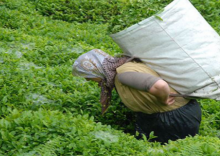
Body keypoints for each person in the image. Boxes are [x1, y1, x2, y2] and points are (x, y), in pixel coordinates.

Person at [72, 49, 201, 144]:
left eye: (88, 76)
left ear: (96, 69)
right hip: (161, 116)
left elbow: (160, 85)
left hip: (173, 118)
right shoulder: (121, 67)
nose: (88, 80)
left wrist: (164, 99)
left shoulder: (123, 74)